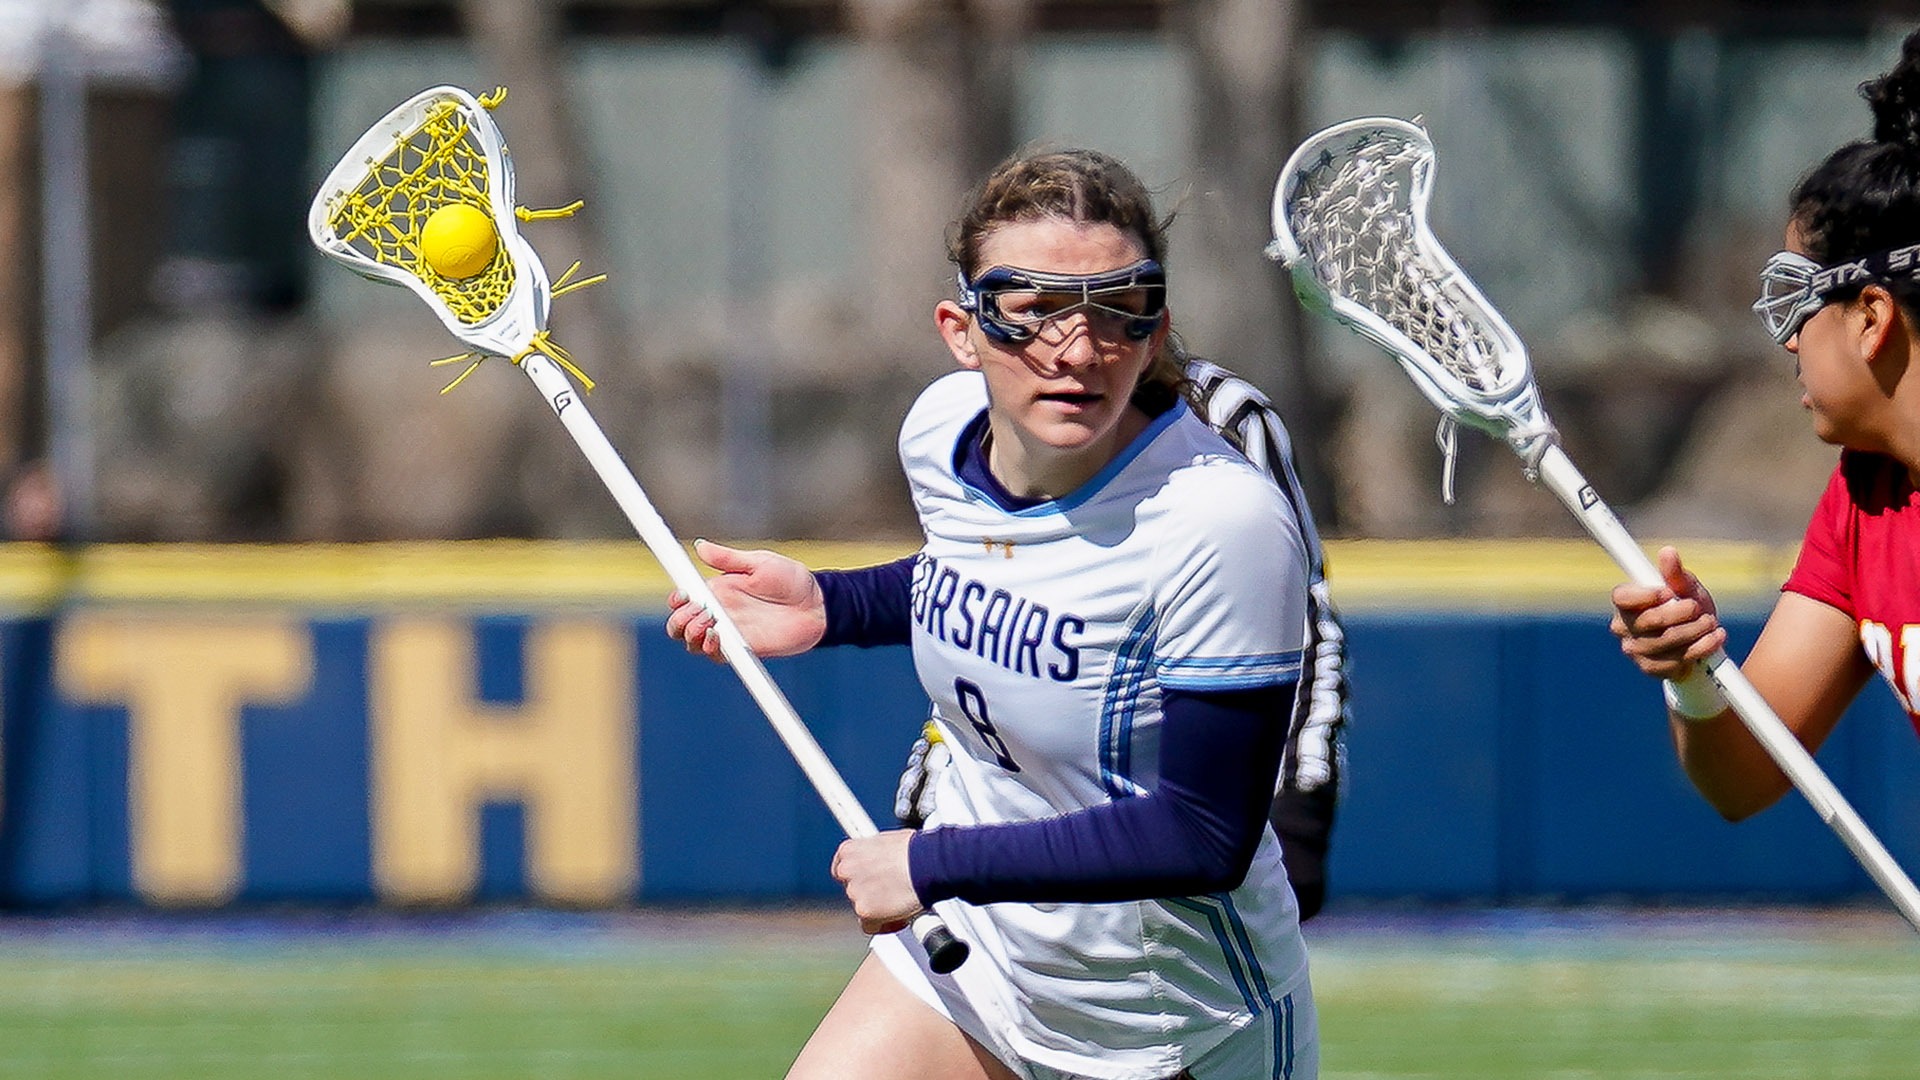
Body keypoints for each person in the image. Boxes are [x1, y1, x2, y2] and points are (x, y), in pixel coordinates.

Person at [667, 147, 1320, 1080]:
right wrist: (832, 603)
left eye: (1116, 306)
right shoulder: (940, 433)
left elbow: (1202, 837)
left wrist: (932, 867)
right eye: (1030, 308)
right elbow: (984, 574)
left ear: (1157, 325)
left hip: (1171, 1020)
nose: (1078, 349)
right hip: (977, 967)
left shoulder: (1220, 523)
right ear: (962, 329)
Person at [893, 355, 1352, 921]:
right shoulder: (970, 411)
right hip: (980, 829)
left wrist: (1299, 804)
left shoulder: (1223, 422)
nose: (1070, 340)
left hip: (1139, 868)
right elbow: (974, 611)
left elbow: (1299, 623)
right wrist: (931, 784)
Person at [1610, 30, 1920, 822]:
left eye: (1798, 300)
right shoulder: (1867, 495)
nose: (1786, 339)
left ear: (1870, 316)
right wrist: (1693, 675)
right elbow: (1744, 778)